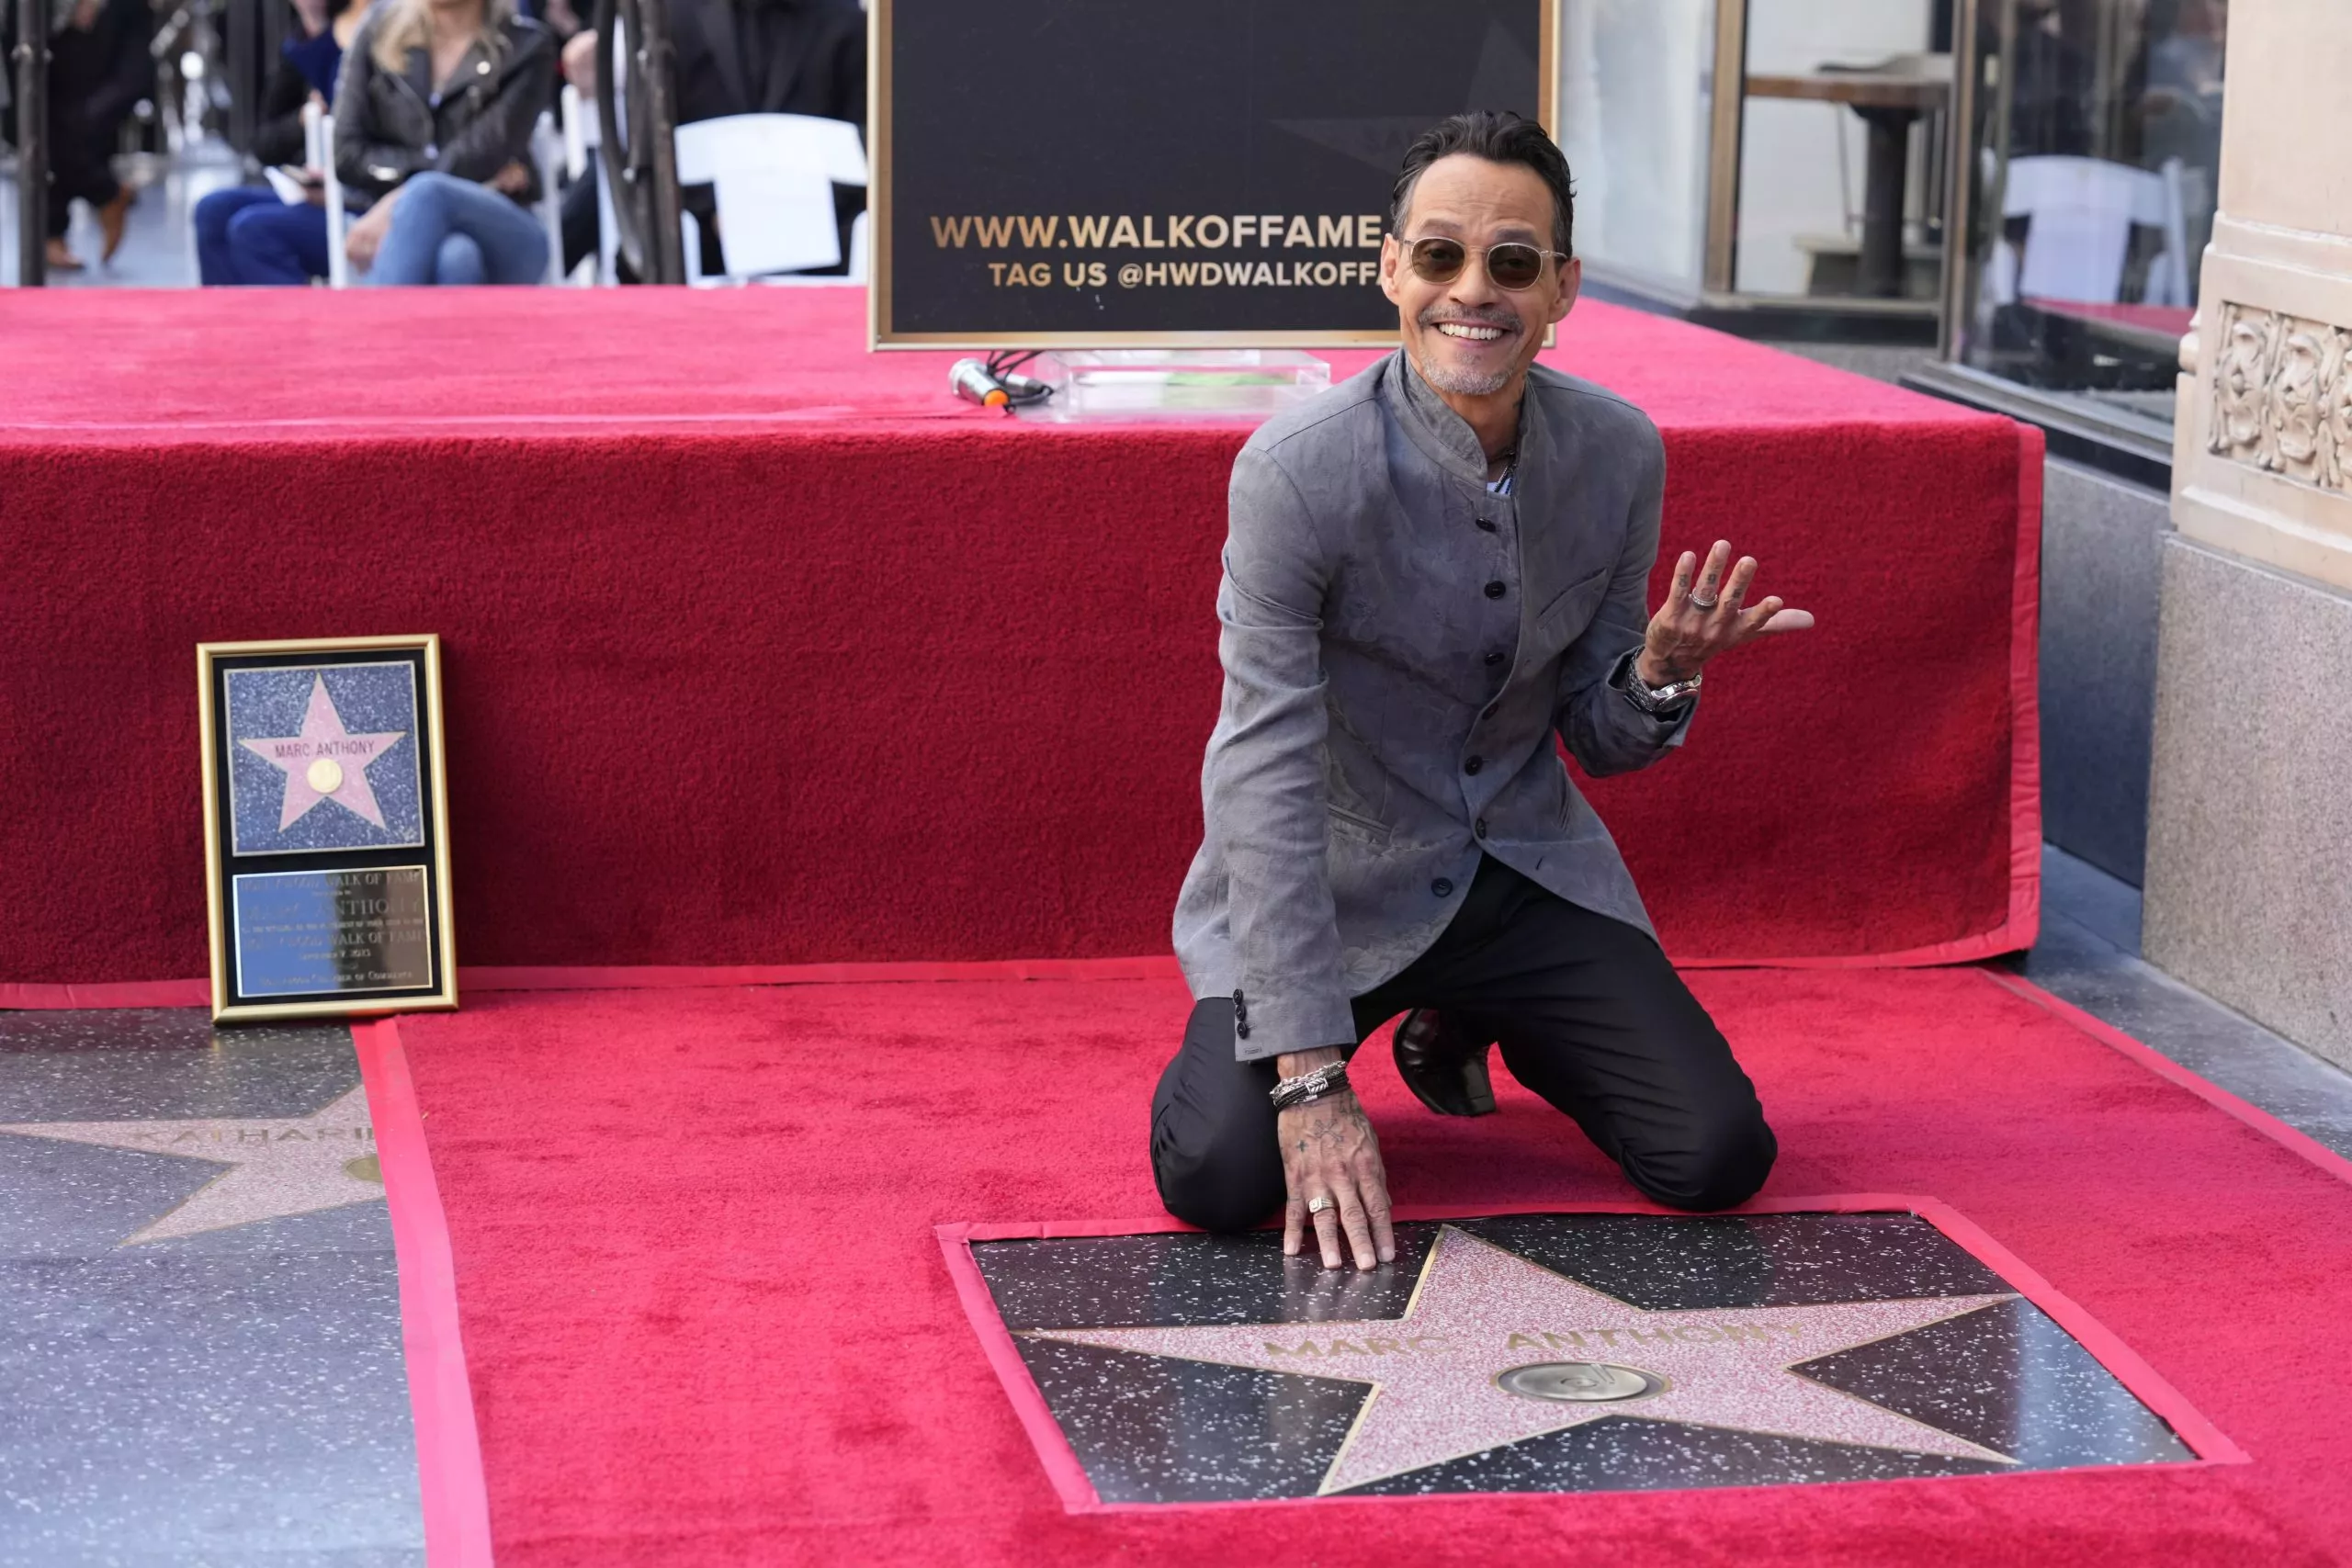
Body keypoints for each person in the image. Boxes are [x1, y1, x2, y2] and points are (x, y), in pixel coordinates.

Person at [1154, 111, 1815, 1272]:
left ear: (1562, 287)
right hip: (1334, 887)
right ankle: (1366, 1030)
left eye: (1513, 262)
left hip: (1519, 871)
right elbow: (1260, 774)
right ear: (1389, 268)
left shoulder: (1618, 454)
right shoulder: (1297, 472)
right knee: (1218, 1175)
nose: (1476, 291)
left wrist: (1658, 673)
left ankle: (1475, 1016)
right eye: (1441, 256)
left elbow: (1597, 743)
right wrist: (1308, 1080)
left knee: (1716, 1159)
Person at [557, 0, 865, 278]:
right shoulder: (669, 21)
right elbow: (650, 142)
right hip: (700, 232)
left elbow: (868, 144)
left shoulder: (847, 22)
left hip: (824, 236)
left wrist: (795, 211)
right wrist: (717, 210)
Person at [333, 0, 557, 285]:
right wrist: (413, 196)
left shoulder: (526, 47)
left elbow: (481, 153)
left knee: (429, 194)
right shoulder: (378, 30)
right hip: (390, 226)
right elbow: (346, 154)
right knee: (456, 258)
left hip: (504, 224)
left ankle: (375, 327)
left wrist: (400, 200)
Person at [193, 0, 363, 287]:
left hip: (357, 197)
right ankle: (227, 321)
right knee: (212, 209)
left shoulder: (367, 38)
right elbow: (263, 143)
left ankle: (298, 326)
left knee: (252, 228)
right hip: (315, 188)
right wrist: (302, 119)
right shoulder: (297, 47)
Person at [39, 0, 153, 273]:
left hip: (89, 26)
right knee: (47, 124)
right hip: (49, 26)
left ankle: (58, 231)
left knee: (65, 124)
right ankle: (105, 194)